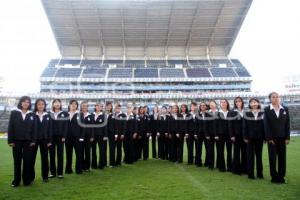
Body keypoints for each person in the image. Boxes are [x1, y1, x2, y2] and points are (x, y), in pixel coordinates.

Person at [8, 96, 36, 187]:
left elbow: (34, 129)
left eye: (28, 102)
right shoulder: (14, 113)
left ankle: (26, 181)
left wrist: (33, 140)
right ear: (20, 103)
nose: (26, 103)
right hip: (16, 141)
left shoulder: (32, 114)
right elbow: (10, 127)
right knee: (17, 161)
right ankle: (16, 181)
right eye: (24, 102)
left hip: (28, 142)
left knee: (27, 161)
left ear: (29, 104)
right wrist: (10, 140)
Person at [264, 92, 290, 184]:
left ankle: (281, 177)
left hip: (283, 138)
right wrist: (269, 138)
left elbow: (287, 124)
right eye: (273, 97)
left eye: (277, 97)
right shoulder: (267, 110)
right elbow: (266, 125)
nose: (275, 98)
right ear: (270, 99)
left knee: (282, 158)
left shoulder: (285, 109)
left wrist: (287, 137)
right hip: (272, 139)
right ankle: (274, 177)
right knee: (272, 158)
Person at [243, 98, 265, 180]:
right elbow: (244, 126)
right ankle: (250, 174)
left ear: (258, 103)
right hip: (249, 138)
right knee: (250, 157)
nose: (254, 104)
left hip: (260, 138)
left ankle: (260, 174)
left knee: (259, 156)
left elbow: (265, 126)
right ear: (250, 104)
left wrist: (265, 137)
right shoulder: (247, 113)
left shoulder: (263, 113)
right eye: (252, 102)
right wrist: (245, 136)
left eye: (255, 102)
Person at [32, 98, 52, 182]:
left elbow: (50, 129)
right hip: (34, 140)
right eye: (39, 104)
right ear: (36, 105)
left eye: (42, 104)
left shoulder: (48, 115)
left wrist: (49, 141)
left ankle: (45, 177)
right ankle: (30, 177)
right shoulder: (32, 115)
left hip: (45, 140)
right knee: (31, 159)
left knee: (45, 159)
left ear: (45, 106)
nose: (41, 106)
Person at [49, 99, 68, 179]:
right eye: (55, 103)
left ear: (60, 104)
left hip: (61, 137)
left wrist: (64, 136)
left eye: (58, 103)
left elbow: (66, 126)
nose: (57, 104)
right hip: (51, 137)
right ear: (53, 104)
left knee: (60, 155)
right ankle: (52, 173)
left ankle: (60, 173)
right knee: (52, 155)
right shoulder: (49, 113)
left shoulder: (64, 114)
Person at [230, 97, 247, 175]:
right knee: (236, 153)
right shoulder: (232, 112)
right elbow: (230, 125)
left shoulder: (246, 111)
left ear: (242, 102)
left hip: (245, 136)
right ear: (235, 103)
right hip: (236, 135)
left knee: (245, 153)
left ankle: (245, 169)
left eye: (239, 101)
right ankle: (236, 170)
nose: (238, 103)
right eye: (236, 101)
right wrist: (232, 135)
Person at [65, 99, 84, 174]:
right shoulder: (66, 114)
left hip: (77, 137)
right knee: (68, 154)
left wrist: (82, 137)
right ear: (69, 105)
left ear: (77, 106)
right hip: (68, 138)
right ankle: (68, 169)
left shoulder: (80, 114)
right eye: (72, 104)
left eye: (75, 104)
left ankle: (78, 170)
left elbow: (83, 126)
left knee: (78, 154)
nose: (73, 105)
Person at [216, 99, 232, 172]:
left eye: (224, 102)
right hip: (220, 135)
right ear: (220, 104)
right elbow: (215, 125)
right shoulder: (217, 113)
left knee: (229, 151)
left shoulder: (231, 113)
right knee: (220, 151)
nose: (223, 103)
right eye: (221, 102)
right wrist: (216, 134)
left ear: (227, 103)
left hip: (229, 135)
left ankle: (229, 167)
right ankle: (221, 167)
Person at [92, 103, 108, 169]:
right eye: (97, 106)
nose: (98, 107)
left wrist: (105, 135)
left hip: (101, 135)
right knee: (93, 150)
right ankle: (94, 165)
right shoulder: (92, 115)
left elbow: (105, 126)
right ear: (95, 107)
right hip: (93, 135)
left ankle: (101, 165)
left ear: (101, 108)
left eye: (100, 106)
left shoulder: (104, 115)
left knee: (102, 151)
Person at [80, 101, 94, 171]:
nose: (84, 107)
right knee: (81, 151)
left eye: (85, 106)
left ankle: (87, 167)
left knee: (88, 152)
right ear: (81, 107)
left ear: (87, 107)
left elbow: (92, 127)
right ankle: (82, 166)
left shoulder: (90, 115)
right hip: (80, 137)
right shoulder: (78, 115)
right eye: (83, 106)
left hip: (88, 136)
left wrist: (92, 136)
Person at [195, 102, 208, 167]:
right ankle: (198, 162)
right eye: (201, 105)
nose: (202, 106)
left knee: (207, 149)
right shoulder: (197, 115)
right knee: (198, 149)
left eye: (204, 105)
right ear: (200, 107)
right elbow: (196, 125)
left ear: (206, 107)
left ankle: (207, 163)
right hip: (199, 134)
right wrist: (195, 134)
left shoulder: (209, 114)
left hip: (207, 134)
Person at [106, 102, 116, 167]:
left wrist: (115, 134)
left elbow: (115, 125)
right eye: (108, 106)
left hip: (112, 133)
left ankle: (112, 163)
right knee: (103, 149)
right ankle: (104, 163)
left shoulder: (113, 115)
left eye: (110, 106)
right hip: (104, 133)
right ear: (106, 107)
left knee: (112, 148)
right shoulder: (103, 114)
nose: (109, 107)